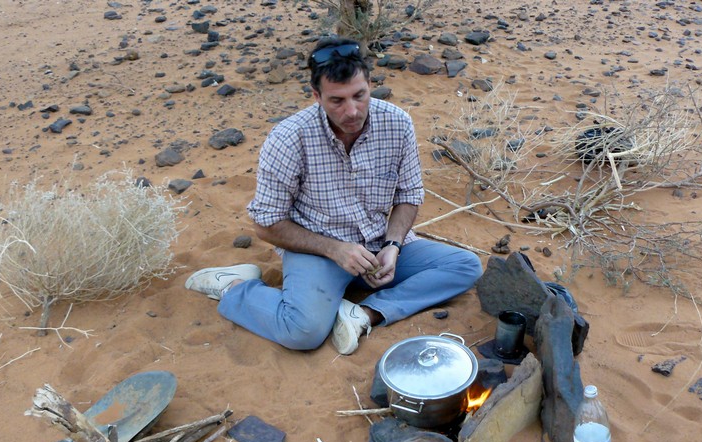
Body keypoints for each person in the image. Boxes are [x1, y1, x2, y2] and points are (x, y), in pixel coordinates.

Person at [185, 37, 482, 355]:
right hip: (319, 250)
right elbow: (266, 224)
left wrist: (393, 245)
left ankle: (362, 313)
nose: (352, 111)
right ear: (316, 96)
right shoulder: (288, 139)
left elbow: (408, 194)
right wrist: (335, 250)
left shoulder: (398, 123)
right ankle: (235, 286)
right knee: (302, 333)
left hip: (377, 250)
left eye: (359, 95)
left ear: (370, 83)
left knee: (465, 266)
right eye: (337, 101)